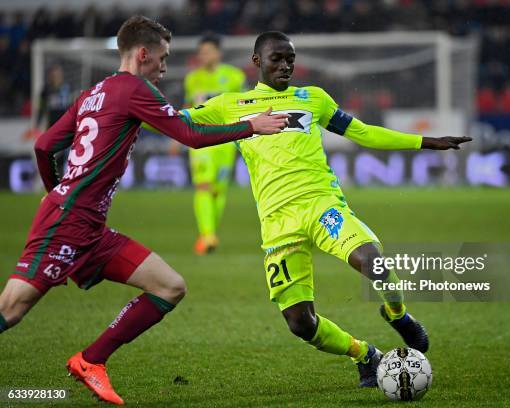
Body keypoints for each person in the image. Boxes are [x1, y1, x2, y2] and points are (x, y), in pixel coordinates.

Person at [0, 17, 288, 405]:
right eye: (163, 58)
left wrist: (55, 192)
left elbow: (44, 145)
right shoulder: (136, 89)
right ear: (142, 54)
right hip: (68, 223)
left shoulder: (92, 94)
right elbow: (189, 136)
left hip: (89, 226)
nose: (166, 67)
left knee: (170, 287)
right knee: (12, 308)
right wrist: (250, 126)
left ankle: (91, 360)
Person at [178, 31, 471, 387]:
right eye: (277, 59)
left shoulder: (312, 98)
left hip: (322, 206)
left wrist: (425, 141)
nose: (286, 65)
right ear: (256, 62)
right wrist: (128, 112)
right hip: (277, 224)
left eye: (290, 59)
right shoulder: (230, 105)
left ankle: (399, 315)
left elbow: (362, 133)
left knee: (374, 263)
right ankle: (365, 355)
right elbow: (179, 121)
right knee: (301, 323)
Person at [183, 33, 246, 255]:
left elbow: (244, 107)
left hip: (226, 139)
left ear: (218, 53)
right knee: (203, 185)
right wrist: (176, 135)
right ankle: (208, 235)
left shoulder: (234, 77)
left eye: (208, 51)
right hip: (200, 137)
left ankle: (208, 235)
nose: (204, 55)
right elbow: (187, 107)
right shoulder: (192, 79)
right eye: (201, 52)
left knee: (218, 191)